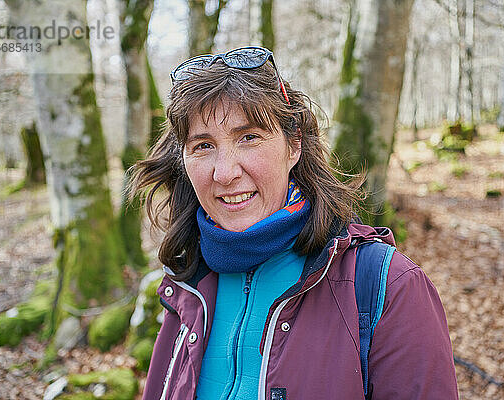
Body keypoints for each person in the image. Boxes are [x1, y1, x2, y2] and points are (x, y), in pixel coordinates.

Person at [128, 46, 458, 400]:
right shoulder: (185, 284)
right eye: (203, 145)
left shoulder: (386, 286)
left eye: (248, 138)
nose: (224, 173)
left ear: (294, 144)